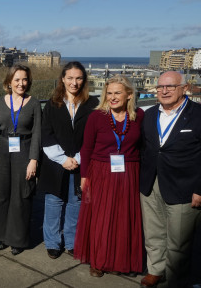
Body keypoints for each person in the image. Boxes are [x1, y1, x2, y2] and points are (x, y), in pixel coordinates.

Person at [73, 75, 144, 277]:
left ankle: (124, 261)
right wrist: (84, 176)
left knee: (125, 219)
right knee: (101, 219)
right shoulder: (97, 117)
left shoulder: (139, 116)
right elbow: (86, 149)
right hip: (101, 172)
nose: (112, 97)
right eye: (109, 93)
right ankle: (98, 261)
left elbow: (144, 146)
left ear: (129, 95)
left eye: (117, 93)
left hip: (129, 173)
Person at [139, 71, 201, 287]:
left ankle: (175, 278)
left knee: (179, 240)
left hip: (184, 185)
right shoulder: (148, 114)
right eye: (160, 87)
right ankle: (155, 269)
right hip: (151, 183)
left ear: (184, 88)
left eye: (170, 87)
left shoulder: (198, 115)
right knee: (153, 232)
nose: (163, 91)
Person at [37, 61, 98, 259]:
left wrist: (79, 158)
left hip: (81, 163)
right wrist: (63, 159)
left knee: (75, 204)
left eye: (79, 78)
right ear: (62, 79)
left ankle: (72, 242)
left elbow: (94, 136)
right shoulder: (52, 104)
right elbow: (46, 134)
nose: (74, 82)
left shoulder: (93, 105)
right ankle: (53, 242)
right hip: (56, 164)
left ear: (84, 80)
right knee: (54, 203)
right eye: (70, 78)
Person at [0, 64, 41, 256]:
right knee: (1, 194)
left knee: (21, 196)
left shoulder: (34, 103)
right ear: (9, 82)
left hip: (24, 150)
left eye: (25, 79)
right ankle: (2, 236)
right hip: (2, 151)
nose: (21, 83)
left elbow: (37, 133)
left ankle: (17, 239)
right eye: (17, 80)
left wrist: (33, 159)